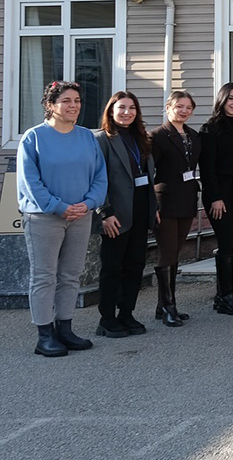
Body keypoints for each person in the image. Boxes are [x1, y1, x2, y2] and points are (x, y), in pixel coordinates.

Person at [18, 81, 108, 356]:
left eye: (77, 101)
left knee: (71, 275)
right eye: (66, 101)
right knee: (44, 276)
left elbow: (100, 177)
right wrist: (58, 207)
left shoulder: (86, 137)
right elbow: (30, 182)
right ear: (50, 105)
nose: (73, 106)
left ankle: (65, 328)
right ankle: (44, 334)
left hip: (81, 216)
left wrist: (89, 204)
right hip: (44, 217)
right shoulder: (33, 138)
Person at [94, 91, 158, 338]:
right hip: (116, 214)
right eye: (121, 107)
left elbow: (149, 177)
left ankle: (126, 314)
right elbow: (97, 180)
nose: (127, 112)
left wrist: (154, 208)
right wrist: (104, 212)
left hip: (141, 209)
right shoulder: (102, 139)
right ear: (111, 110)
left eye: (132, 108)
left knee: (135, 265)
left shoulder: (141, 138)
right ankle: (107, 319)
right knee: (112, 267)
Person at [150, 91, 203, 326]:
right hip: (166, 201)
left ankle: (164, 305)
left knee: (177, 252)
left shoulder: (193, 136)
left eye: (188, 107)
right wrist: (152, 206)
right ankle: (169, 306)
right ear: (168, 107)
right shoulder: (157, 136)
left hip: (187, 199)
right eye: (179, 106)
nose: (184, 111)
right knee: (167, 252)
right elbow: (149, 174)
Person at [199, 83, 233, 316]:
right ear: (222, 100)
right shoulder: (210, 129)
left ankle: (222, 296)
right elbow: (207, 168)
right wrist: (216, 197)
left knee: (228, 242)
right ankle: (227, 297)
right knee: (226, 241)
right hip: (219, 195)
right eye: (231, 98)